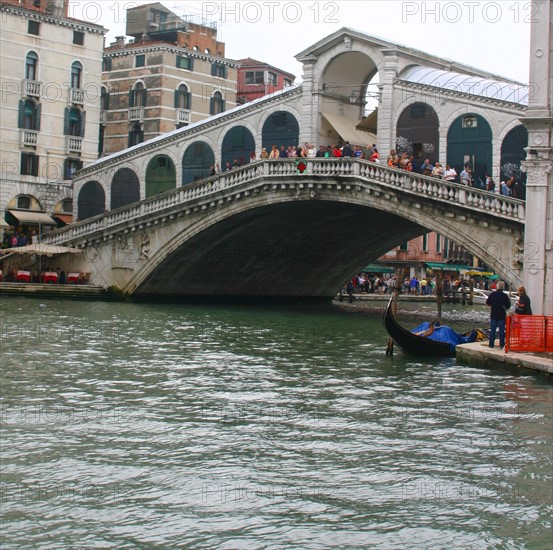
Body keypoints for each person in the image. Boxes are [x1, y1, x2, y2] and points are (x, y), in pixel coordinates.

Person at [486, 280, 511, 348]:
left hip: (493, 314)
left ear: (497, 287)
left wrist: (493, 305)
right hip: (501, 315)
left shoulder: (492, 294)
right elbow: (508, 306)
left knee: (493, 330)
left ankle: (491, 344)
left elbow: (488, 303)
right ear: (503, 287)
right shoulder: (504, 296)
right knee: (501, 331)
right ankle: (501, 344)